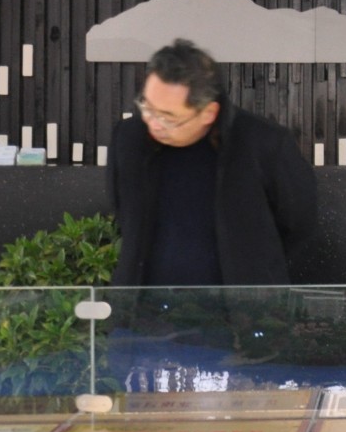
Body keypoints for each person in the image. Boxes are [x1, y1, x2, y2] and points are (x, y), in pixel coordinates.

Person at [107, 39, 317, 287]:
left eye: (168, 118)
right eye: (148, 107)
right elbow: (123, 213)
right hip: (142, 306)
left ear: (208, 113)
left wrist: (254, 266)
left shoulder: (264, 143)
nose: (153, 123)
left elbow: (299, 221)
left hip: (243, 307)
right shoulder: (128, 138)